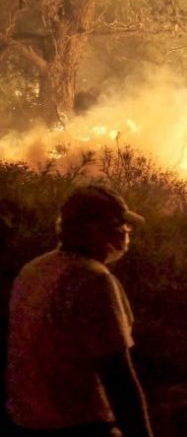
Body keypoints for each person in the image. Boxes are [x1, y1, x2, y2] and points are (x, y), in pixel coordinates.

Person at [5, 185, 153, 437]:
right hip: (79, 425)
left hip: (26, 421)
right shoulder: (93, 280)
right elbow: (118, 377)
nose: (125, 234)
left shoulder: (33, 270)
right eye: (121, 226)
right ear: (96, 229)